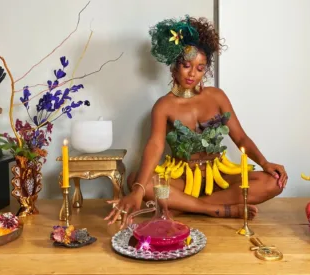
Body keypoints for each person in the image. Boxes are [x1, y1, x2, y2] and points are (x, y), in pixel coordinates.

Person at [105, 16, 287, 226]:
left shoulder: (217, 96)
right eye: (186, 65)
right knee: (138, 181)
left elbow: (241, 138)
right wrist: (137, 190)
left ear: (206, 70)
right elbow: (155, 146)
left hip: (219, 175)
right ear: (175, 66)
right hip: (182, 178)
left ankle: (181, 207)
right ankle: (215, 210)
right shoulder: (164, 105)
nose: (193, 74)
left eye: (200, 68)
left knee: (273, 182)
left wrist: (264, 163)